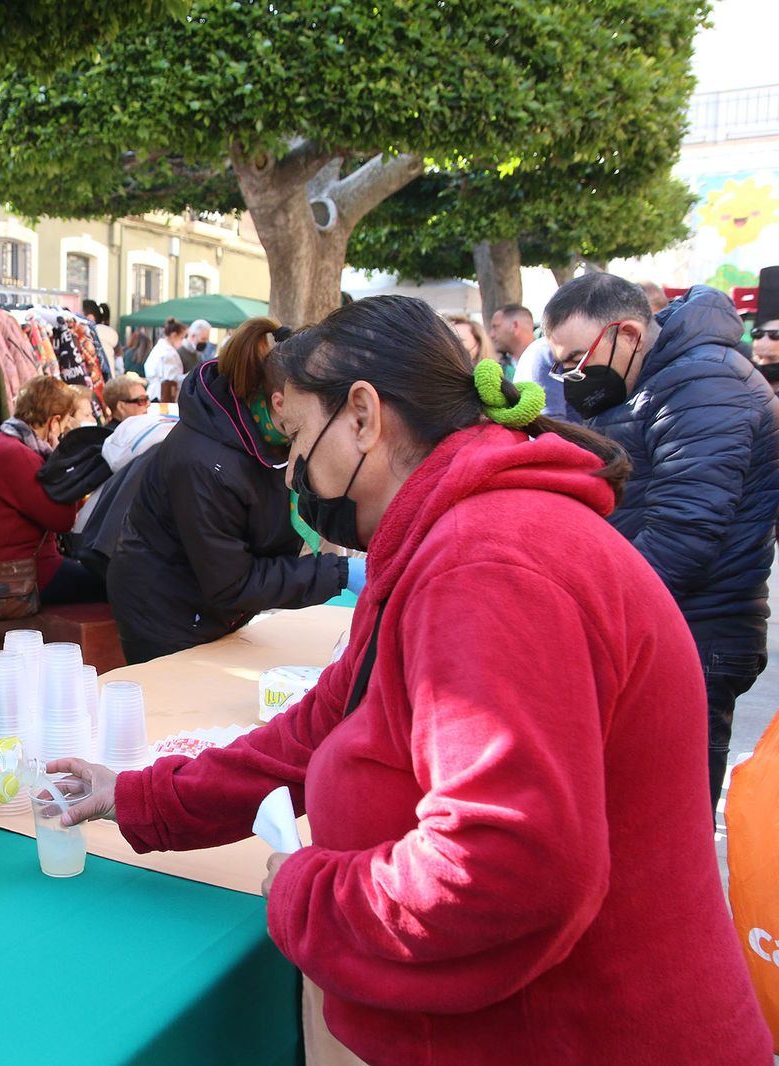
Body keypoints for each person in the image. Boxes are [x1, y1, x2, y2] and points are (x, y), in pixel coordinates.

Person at [51, 295, 771, 1065]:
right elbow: (320, 729)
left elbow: (505, 870)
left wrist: (307, 892)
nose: (291, 471)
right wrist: (135, 795)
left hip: (582, 1034)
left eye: (296, 437)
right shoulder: (448, 536)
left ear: (362, 415)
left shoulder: (487, 564)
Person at [544, 273, 779, 809]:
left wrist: (587, 613)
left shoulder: (704, 386)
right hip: (664, 621)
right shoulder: (661, 377)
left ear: (627, 334)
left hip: (696, 630)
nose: (571, 375)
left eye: (579, 357)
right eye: (562, 362)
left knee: (670, 820)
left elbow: (684, 533)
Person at [107, 317, 358, 664]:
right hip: (167, 610)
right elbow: (231, 583)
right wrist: (339, 574)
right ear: (281, 402)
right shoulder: (205, 463)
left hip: (219, 604)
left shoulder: (269, 438)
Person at [0, 375, 107, 608]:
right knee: (111, 586)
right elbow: (62, 520)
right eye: (66, 423)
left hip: (7, 568)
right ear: (54, 421)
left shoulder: (7, 444)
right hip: (14, 575)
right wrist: (65, 466)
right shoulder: (16, 455)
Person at [494, 303, 573, 419]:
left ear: (514, 326)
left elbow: (552, 419)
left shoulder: (548, 354)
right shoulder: (500, 370)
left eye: (496, 327)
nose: (491, 334)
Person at [145, 318, 187, 402]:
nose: (183, 341)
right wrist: (187, 377)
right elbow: (171, 378)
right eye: (181, 337)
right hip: (162, 394)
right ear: (174, 335)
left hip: (156, 393)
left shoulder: (160, 348)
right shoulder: (168, 352)